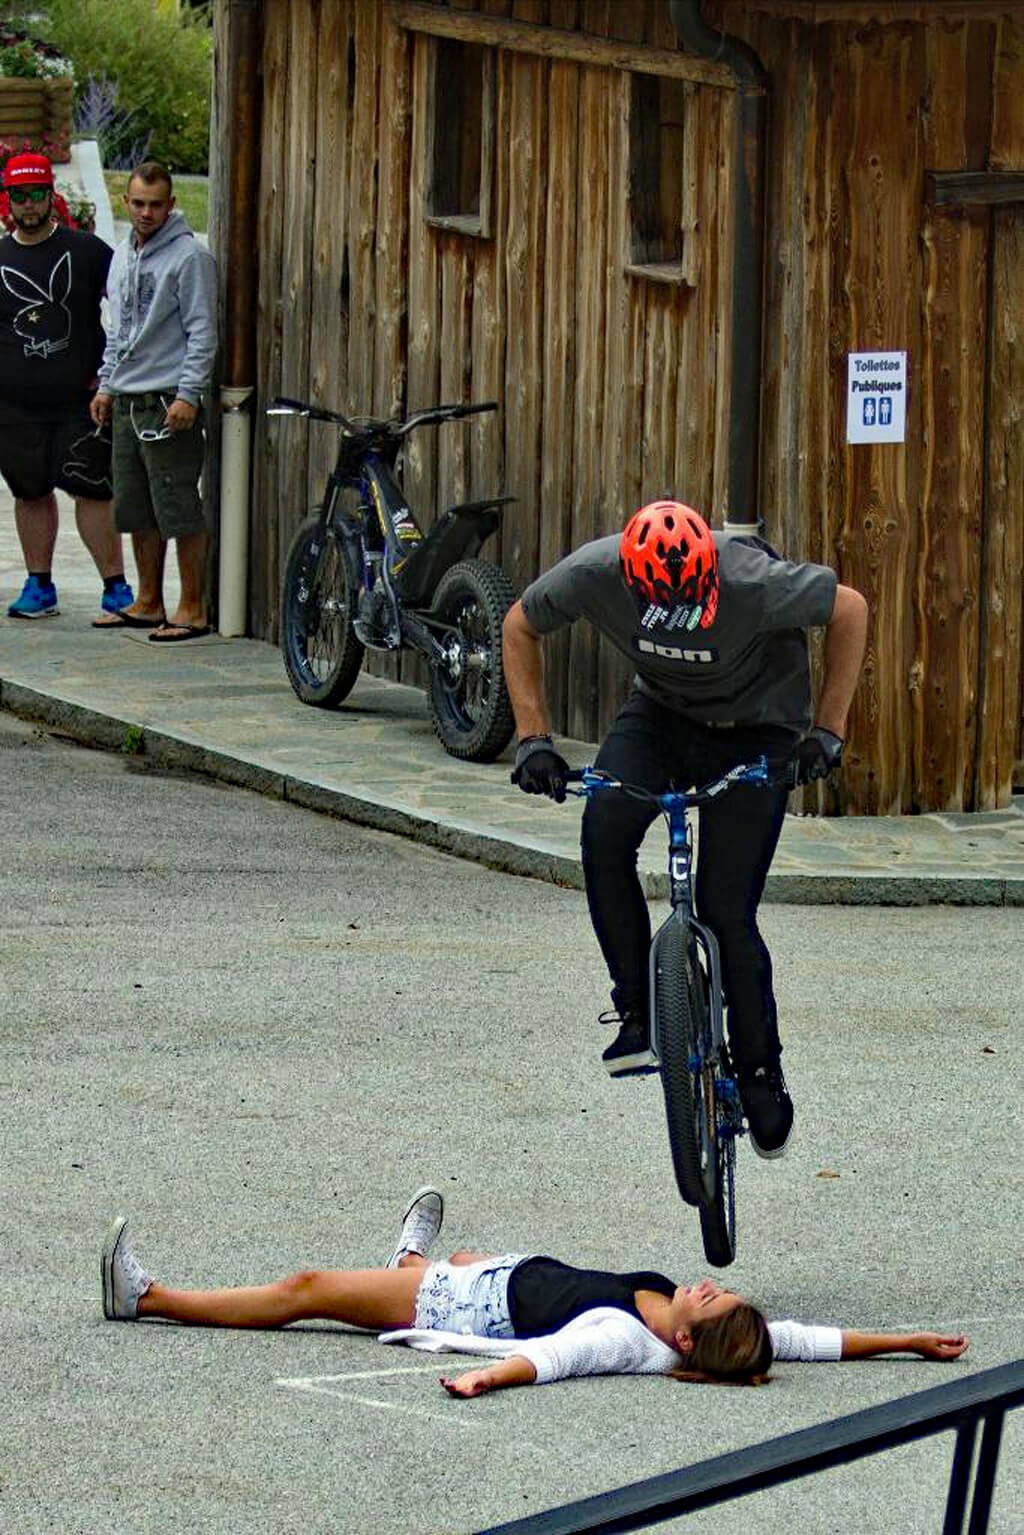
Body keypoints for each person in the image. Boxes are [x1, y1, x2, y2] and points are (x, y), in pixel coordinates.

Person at [502, 502, 869, 1157]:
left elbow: (850, 608)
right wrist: (533, 740)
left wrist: (827, 733)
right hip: (664, 716)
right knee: (603, 830)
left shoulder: (752, 579)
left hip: (759, 727)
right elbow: (520, 623)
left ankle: (759, 1071)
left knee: (726, 911)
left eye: (692, 599)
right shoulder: (596, 571)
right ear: (632, 579)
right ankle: (641, 1010)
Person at [100, 1187, 967, 1397]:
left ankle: (150, 1298)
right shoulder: (708, 1324)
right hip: (498, 1274)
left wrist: (482, 1379)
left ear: (689, 1345)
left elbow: (550, 1357)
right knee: (447, 1257)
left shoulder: (630, 1341)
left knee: (307, 1289)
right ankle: (408, 1256)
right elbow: (805, 1337)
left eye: (709, 1300)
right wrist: (907, 1340)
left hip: (450, 1307)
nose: (707, 1286)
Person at [0, 152, 134, 623]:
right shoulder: (1, 257)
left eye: (37, 194)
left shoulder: (86, 251)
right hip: (15, 404)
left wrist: (113, 373)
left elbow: (127, 306)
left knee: (92, 489)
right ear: (8, 200)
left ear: (51, 196)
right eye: (20, 196)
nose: (29, 205)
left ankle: (116, 586)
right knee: (30, 491)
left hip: (83, 398)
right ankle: (39, 584)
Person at [90, 161, 217, 642]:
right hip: (128, 397)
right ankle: (147, 601)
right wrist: (106, 384)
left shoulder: (189, 258)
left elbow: (203, 331)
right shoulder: (123, 254)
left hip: (168, 399)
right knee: (136, 506)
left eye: (156, 205)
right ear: (126, 201)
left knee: (177, 503)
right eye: (138, 203)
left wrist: (189, 394)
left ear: (171, 204)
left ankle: (191, 607)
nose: (146, 213)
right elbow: (118, 328)